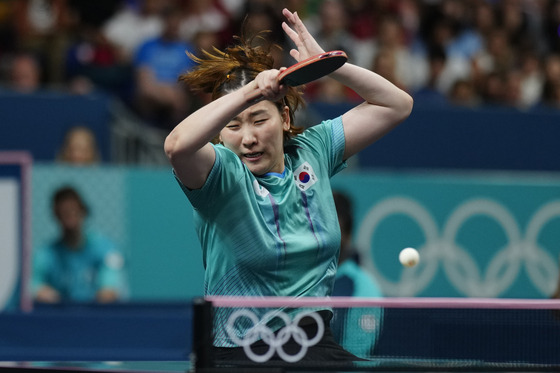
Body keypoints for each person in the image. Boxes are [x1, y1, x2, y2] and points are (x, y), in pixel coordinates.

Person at [164, 7, 412, 364]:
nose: (247, 138)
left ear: (283, 118)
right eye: (233, 126)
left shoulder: (314, 149)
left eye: (259, 119)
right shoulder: (221, 176)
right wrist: (249, 92)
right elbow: (176, 146)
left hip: (313, 347)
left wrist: (330, 65)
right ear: (220, 134)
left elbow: (397, 105)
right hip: (239, 353)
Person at [32, 186, 125, 304]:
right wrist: (39, 290)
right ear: (56, 215)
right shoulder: (45, 254)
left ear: (83, 211)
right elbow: (31, 283)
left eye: (73, 210)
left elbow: (111, 281)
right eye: (64, 212)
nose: (69, 216)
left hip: (97, 316)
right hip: (59, 317)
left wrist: (108, 290)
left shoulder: (106, 249)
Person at [331, 190, 384, 359]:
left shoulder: (363, 287)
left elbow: (355, 356)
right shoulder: (296, 279)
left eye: (334, 229)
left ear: (347, 234)